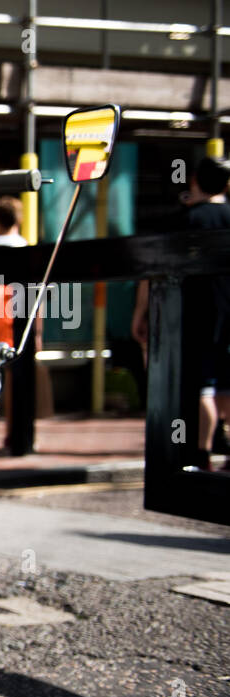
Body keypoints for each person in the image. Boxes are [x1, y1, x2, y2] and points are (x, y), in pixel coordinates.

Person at [133, 155, 230, 469]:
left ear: (194, 181)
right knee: (224, 384)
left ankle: (199, 454)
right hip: (228, 313)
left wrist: (141, 313)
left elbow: (155, 269)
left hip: (196, 313)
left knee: (200, 386)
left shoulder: (185, 221)